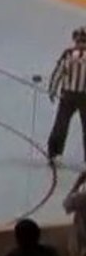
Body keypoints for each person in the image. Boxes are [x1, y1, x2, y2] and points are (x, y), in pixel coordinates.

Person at [47, 27, 86, 166]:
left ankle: (55, 153)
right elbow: (59, 72)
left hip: (77, 96)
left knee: (62, 125)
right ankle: (54, 154)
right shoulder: (68, 54)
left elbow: (58, 72)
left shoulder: (68, 54)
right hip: (70, 96)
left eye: (83, 41)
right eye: (79, 41)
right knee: (61, 126)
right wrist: (52, 89)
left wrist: (52, 90)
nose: (81, 44)